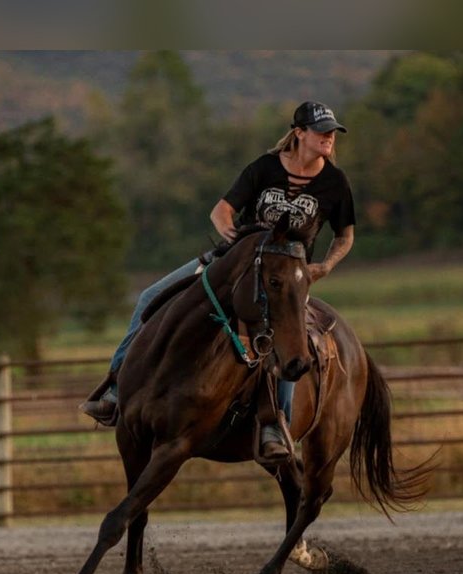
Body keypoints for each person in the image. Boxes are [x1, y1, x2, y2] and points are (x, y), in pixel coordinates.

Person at [81, 100, 356, 461]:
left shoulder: (334, 182)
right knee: (150, 296)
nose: (329, 138)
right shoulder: (264, 168)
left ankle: (276, 424)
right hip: (234, 265)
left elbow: (345, 236)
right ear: (299, 133)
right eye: (321, 132)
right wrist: (229, 230)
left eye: (332, 132)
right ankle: (116, 386)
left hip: (286, 278)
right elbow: (221, 210)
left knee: (291, 340)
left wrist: (326, 266)